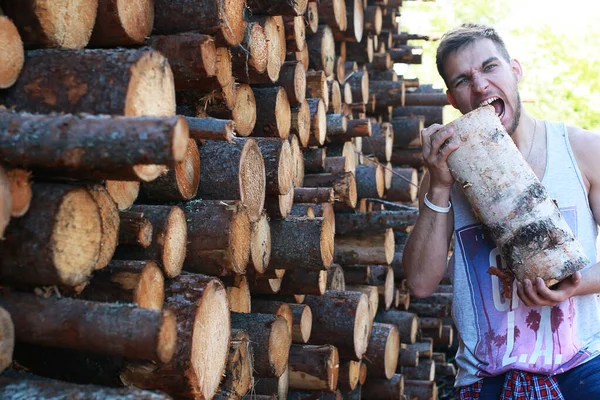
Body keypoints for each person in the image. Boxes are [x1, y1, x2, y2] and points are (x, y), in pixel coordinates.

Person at [402, 23, 600, 399]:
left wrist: (576, 286)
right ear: (451, 97)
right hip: (485, 380)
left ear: (515, 70)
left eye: (490, 67)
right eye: (463, 79)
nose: (480, 86)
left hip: (584, 372)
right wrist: (440, 185)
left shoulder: (582, 150)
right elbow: (421, 283)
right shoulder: (444, 172)